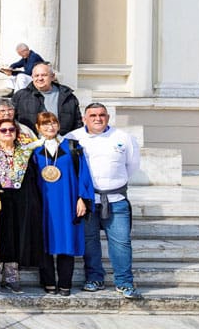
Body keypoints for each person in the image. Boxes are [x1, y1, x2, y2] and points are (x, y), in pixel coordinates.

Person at [67, 103, 143, 300]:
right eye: (92, 115)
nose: (97, 118)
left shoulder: (123, 138)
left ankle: (124, 282)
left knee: (121, 242)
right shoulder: (73, 137)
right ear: (84, 119)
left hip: (116, 200)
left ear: (108, 118)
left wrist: (113, 184)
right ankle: (94, 279)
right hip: (87, 200)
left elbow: (132, 165)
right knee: (90, 241)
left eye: (101, 115)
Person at [31, 111, 93, 297]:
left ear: (58, 125)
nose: (50, 127)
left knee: (67, 240)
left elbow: (83, 174)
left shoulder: (72, 147)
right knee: (44, 241)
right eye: (45, 124)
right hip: (43, 203)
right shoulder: (33, 150)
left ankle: (65, 283)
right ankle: (48, 281)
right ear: (38, 128)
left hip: (68, 201)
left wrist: (82, 198)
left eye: (53, 123)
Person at [0, 118, 42, 294]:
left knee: (16, 236)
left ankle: (12, 277)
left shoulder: (24, 152)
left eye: (11, 130)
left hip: (20, 200)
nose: (8, 132)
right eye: (3, 130)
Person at [12, 62, 83, 135]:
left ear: (52, 77)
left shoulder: (67, 96)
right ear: (32, 77)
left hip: (62, 141)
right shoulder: (20, 96)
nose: (40, 78)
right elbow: (12, 121)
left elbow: (77, 124)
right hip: (31, 141)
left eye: (44, 75)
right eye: (36, 75)